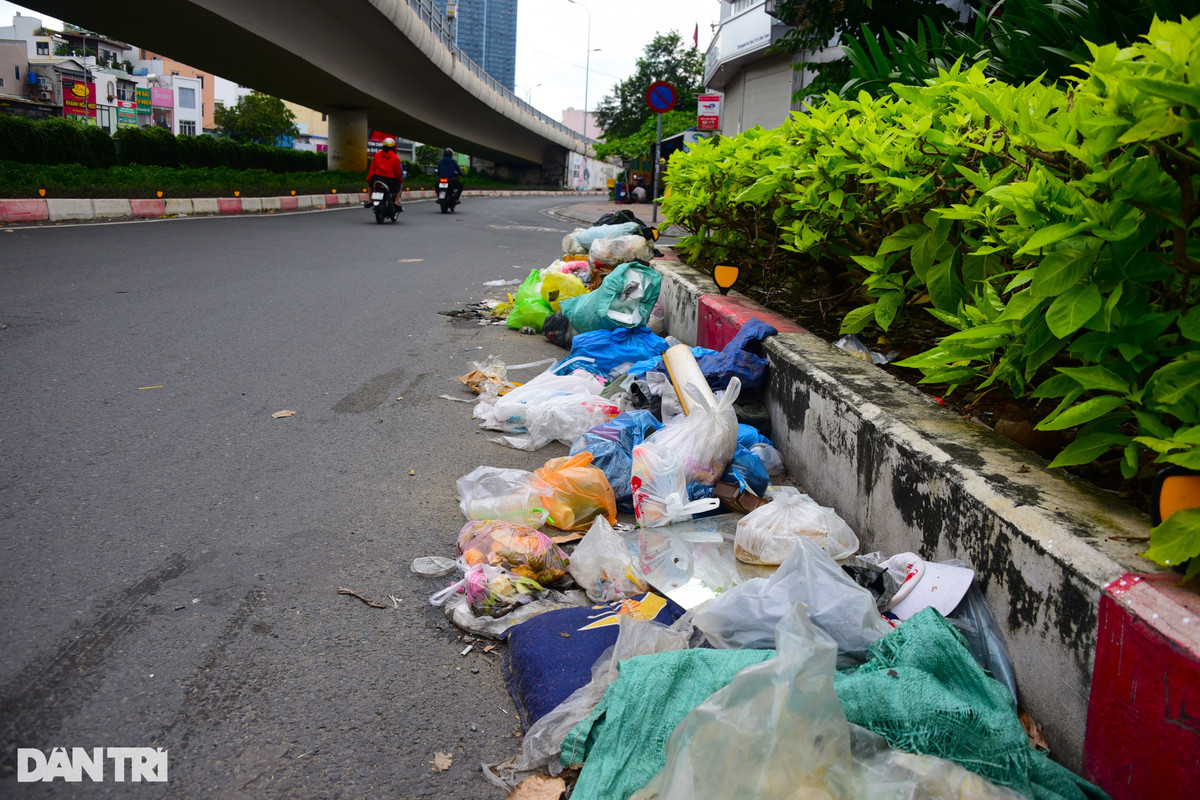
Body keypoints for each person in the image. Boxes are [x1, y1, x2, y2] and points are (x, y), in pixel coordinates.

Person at [366, 137, 404, 213]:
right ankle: (396, 202)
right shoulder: (395, 158)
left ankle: (370, 200)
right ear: (393, 147)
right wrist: (400, 180)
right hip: (390, 180)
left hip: (377, 178)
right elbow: (398, 173)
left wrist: (369, 179)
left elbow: (372, 169)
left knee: (370, 185)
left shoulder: (377, 156)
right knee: (400, 186)